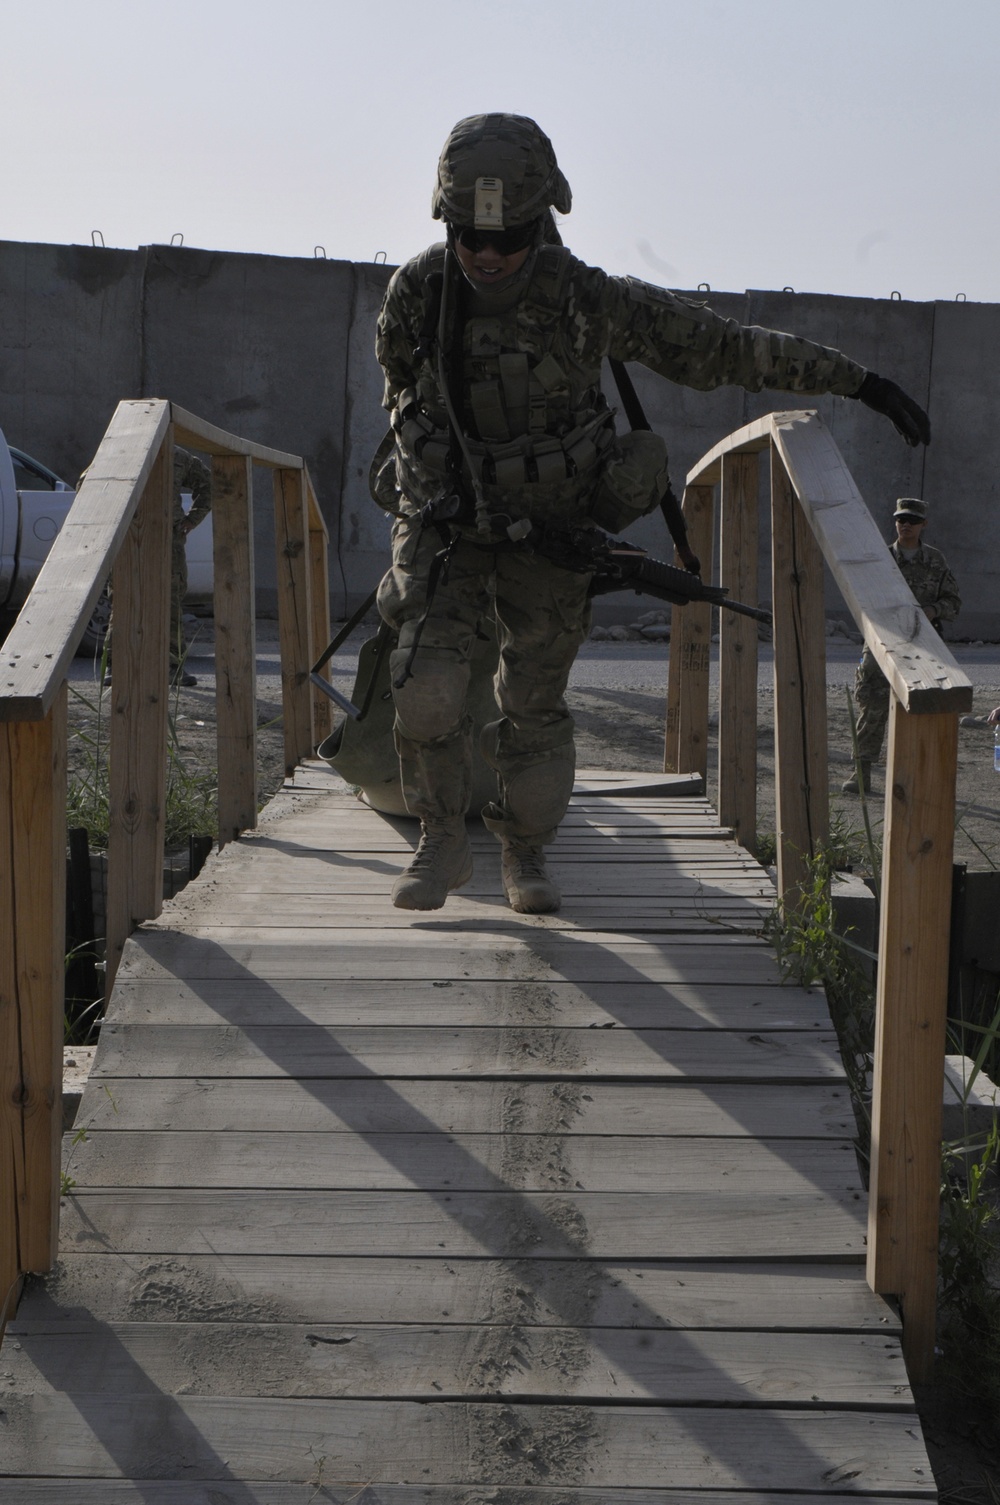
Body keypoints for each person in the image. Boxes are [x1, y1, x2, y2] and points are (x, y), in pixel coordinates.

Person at [375, 112, 931, 914]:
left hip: (548, 534)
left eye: (509, 236)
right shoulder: (419, 292)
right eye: (468, 234)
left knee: (531, 704)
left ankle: (524, 849)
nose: (486, 254)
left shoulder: (587, 300)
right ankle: (441, 836)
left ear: (545, 222)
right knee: (424, 685)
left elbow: (722, 348)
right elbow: (397, 387)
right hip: (448, 526)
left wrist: (861, 382)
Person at [843, 497, 960, 793]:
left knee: (921, 708)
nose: (905, 525)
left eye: (911, 521)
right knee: (872, 706)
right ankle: (861, 773)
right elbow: (861, 597)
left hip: (923, 644)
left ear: (923, 525)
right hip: (883, 640)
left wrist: (934, 610)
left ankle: (912, 777)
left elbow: (953, 602)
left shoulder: (936, 561)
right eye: (900, 520)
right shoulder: (880, 560)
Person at [170, 447, 212, 687]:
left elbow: (208, 484)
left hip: (168, 540)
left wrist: (192, 519)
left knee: (170, 602)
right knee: (124, 599)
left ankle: (172, 666)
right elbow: (88, 484)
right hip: (128, 537)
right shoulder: (119, 449)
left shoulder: (176, 456)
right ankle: (117, 664)